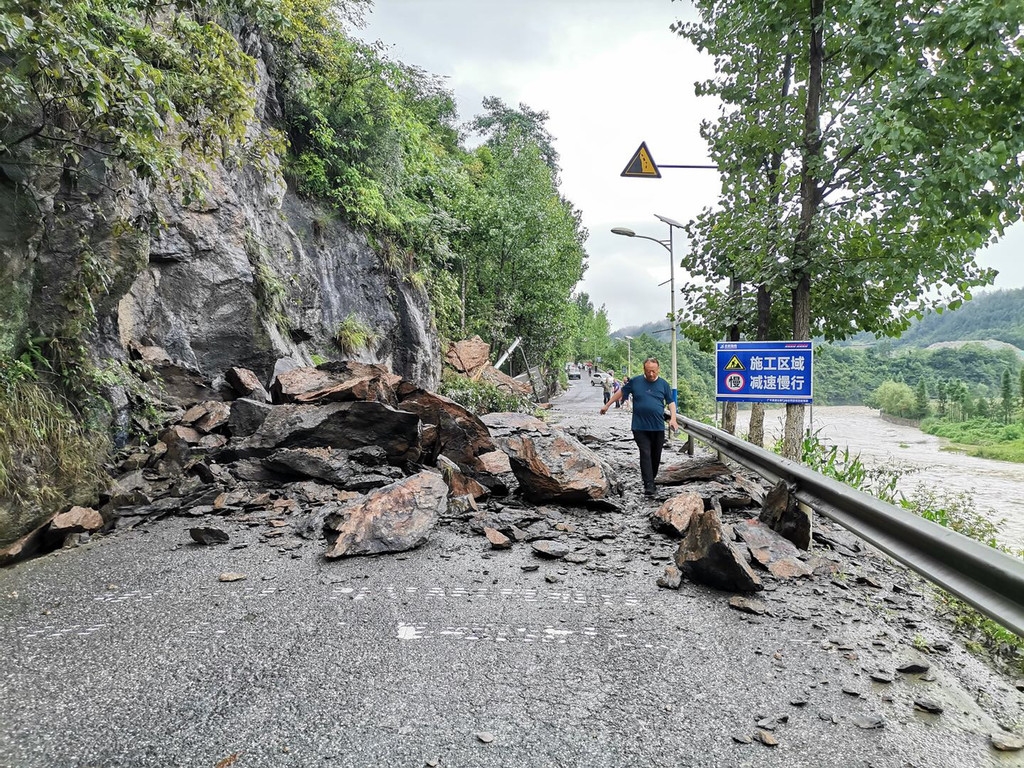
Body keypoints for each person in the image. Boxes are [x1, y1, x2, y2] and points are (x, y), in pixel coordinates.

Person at [599, 357, 678, 497]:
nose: (651, 374)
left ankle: (651, 479)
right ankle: (649, 485)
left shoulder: (663, 384)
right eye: (648, 371)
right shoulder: (636, 381)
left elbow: (671, 402)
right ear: (644, 370)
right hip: (640, 426)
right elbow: (621, 393)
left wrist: (673, 419)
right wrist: (607, 405)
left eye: (653, 371)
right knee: (645, 453)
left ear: (658, 369)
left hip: (658, 427)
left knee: (656, 456)